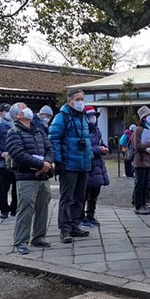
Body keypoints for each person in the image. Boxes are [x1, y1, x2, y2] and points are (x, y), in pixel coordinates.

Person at [5, 102, 54, 254]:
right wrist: (41, 164)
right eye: (22, 108)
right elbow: (18, 154)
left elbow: (49, 149)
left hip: (43, 176)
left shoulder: (38, 131)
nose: (27, 110)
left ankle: (39, 236)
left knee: (43, 207)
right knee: (25, 209)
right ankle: (21, 241)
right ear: (16, 115)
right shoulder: (14, 132)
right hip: (26, 176)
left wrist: (47, 163)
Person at [49, 88, 93, 243]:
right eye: (78, 99)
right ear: (70, 101)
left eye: (82, 98)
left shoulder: (83, 117)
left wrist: (90, 158)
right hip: (69, 164)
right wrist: (59, 161)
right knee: (67, 198)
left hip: (83, 164)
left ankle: (75, 225)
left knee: (80, 197)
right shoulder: (62, 118)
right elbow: (54, 139)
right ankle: (64, 229)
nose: (81, 102)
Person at [81, 105, 109, 227]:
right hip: (88, 165)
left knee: (94, 194)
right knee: (84, 194)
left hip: (98, 165)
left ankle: (90, 215)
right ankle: (81, 216)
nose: (92, 118)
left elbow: (101, 143)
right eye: (90, 116)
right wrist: (98, 149)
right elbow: (83, 148)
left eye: (94, 116)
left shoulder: (97, 130)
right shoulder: (82, 130)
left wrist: (104, 148)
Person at [131, 106, 150, 215]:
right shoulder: (138, 129)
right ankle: (138, 204)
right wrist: (149, 144)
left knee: (148, 183)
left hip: (148, 160)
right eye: (148, 115)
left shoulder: (149, 129)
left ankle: (146, 203)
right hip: (140, 161)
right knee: (140, 184)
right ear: (143, 118)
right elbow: (137, 146)